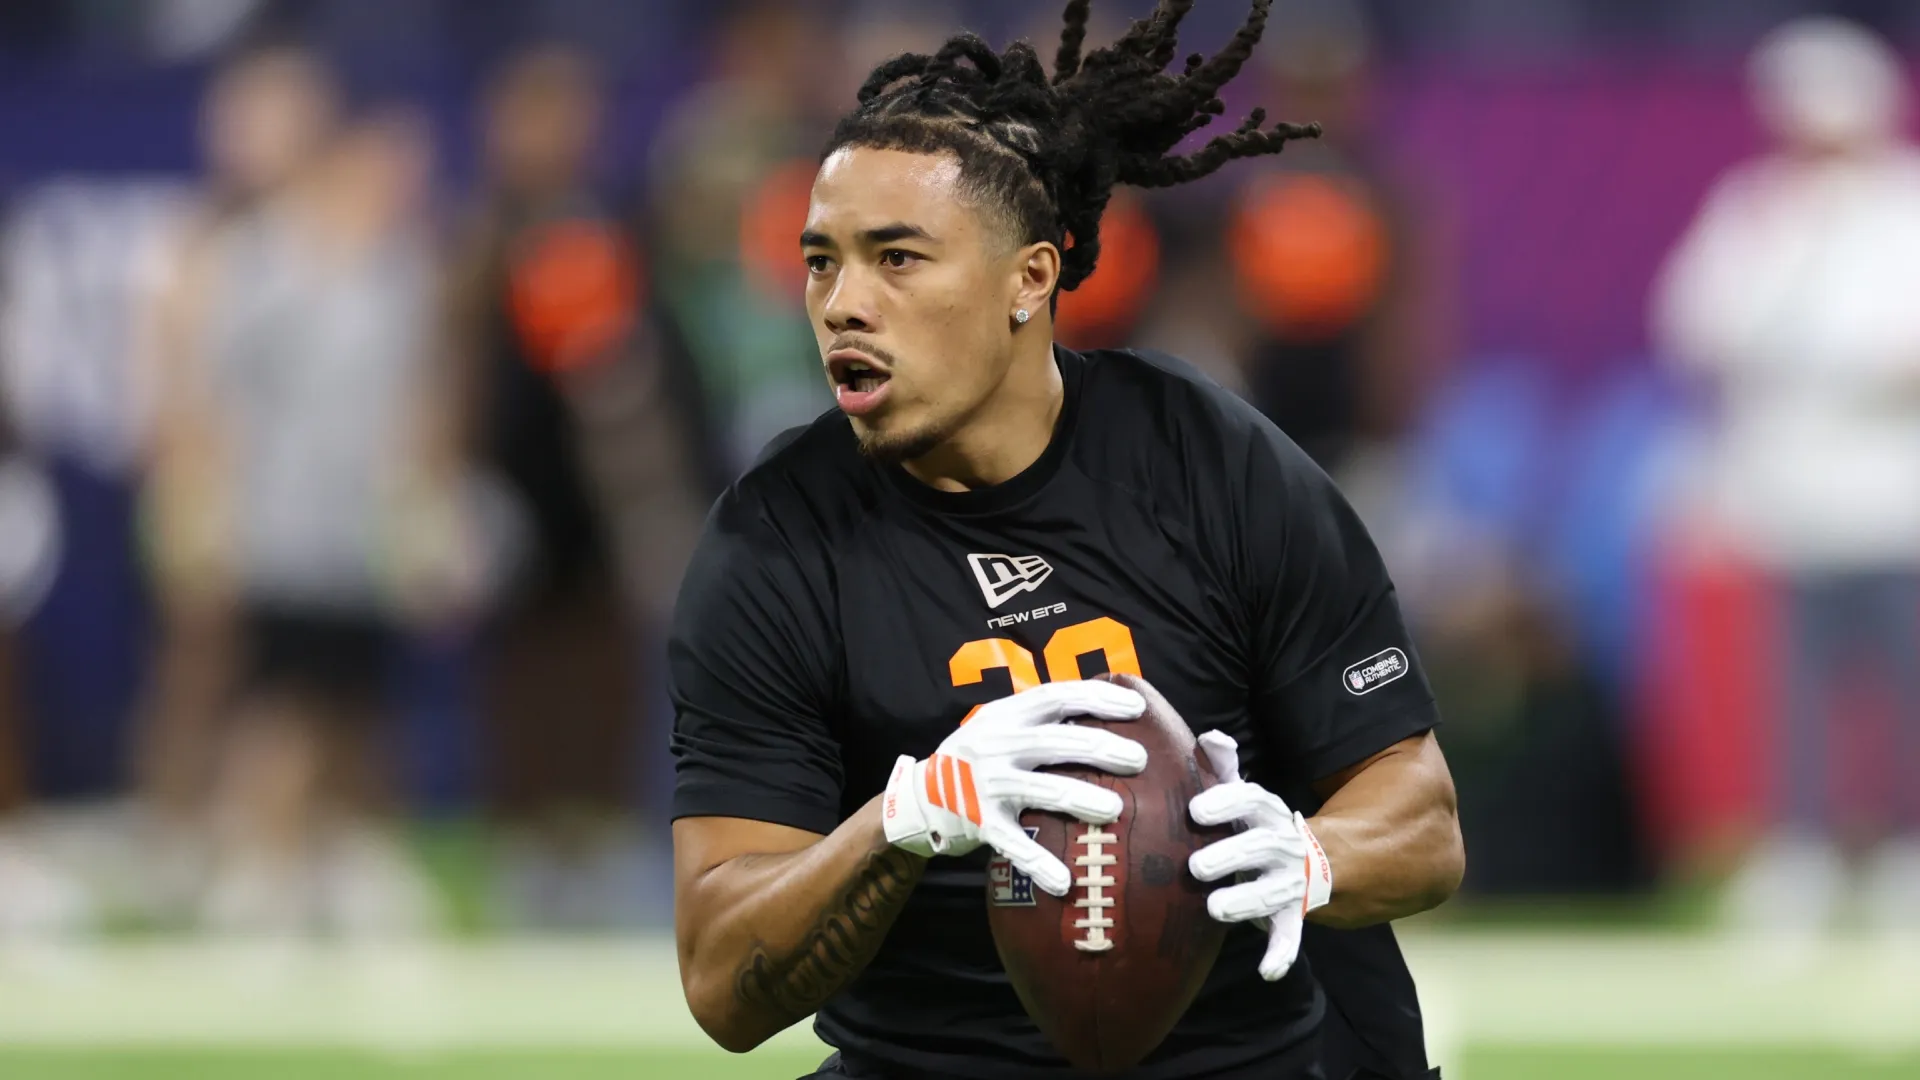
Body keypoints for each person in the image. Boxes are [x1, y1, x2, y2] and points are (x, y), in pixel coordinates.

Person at [668, 3, 1463, 1078]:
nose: (844, 304)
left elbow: (1420, 821)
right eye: (822, 262)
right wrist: (903, 821)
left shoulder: (1206, 462)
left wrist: (1307, 852)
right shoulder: (775, 539)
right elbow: (721, 978)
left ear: (1029, 280)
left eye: (897, 259)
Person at [1651, 15, 1920, 938]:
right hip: (1788, 500)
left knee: (1904, 685)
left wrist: (1850, 364)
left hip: (1896, 501)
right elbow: (1696, 324)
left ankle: (1902, 863)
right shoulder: (1757, 209)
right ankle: (1798, 861)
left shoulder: (1907, 208)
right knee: (1794, 700)